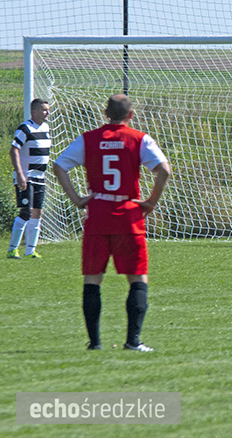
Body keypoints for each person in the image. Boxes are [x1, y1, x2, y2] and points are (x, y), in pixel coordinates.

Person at [53, 94, 171, 351]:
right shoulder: (140, 139)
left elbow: (59, 165)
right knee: (137, 278)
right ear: (131, 115)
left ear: (105, 113)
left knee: (92, 279)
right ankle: (133, 342)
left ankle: (94, 343)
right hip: (128, 215)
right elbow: (165, 170)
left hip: (98, 214)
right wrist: (151, 201)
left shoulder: (88, 139)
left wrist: (76, 198)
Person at [7, 98, 51, 259]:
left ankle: (30, 250)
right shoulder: (24, 128)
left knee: (37, 213)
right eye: (44, 109)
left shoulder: (46, 127)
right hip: (27, 177)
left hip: (40, 177)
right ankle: (12, 249)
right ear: (34, 112)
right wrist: (19, 173)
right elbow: (14, 150)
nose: (47, 112)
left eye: (48, 109)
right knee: (26, 212)